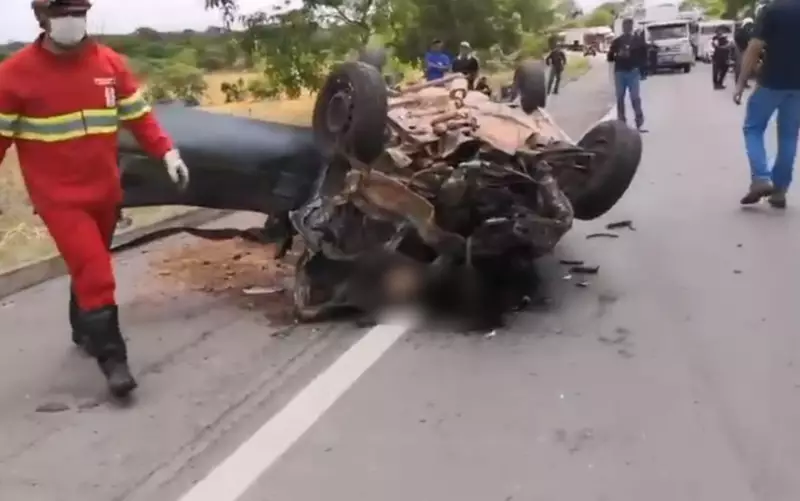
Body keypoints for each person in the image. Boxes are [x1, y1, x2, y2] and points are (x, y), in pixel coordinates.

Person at [0, 0, 190, 398]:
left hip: (105, 191)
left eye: (79, 13)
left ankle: (84, 328)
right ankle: (113, 358)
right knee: (96, 269)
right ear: (43, 19)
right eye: (64, 14)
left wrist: (167, 152)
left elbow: (140, 116)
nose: (73, 21)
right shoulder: (14, 76)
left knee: (91, 264)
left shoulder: (109, 64)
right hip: (58, 198)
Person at [734, 0, 800, 208]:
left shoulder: (771, 10)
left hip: (771, 82)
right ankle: (779, 191)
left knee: (753, 127)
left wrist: (741, 82)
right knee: (789, 136)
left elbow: (754, 47)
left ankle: (761, 178)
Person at [607, 18, 648, 131]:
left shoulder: (638, 41)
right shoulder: (617, 41)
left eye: (629, 26)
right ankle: (621, 123)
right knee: (620, 98)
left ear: (631, 27)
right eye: (625, 26)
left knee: (635, 97)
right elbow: (609, 57)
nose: (627, 28)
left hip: (633, 71)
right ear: (623, 27)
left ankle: (639, 122)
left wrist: (644, 71)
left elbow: (644, 57)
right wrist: (617, 55)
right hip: (620, 72)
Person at [733, 17, 754, 85]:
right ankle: (738, 82)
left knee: (746, 66)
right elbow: (738, 39)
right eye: (748, 24)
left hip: (746, 49)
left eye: (750, 24)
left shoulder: (749, 30)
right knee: (739, 66)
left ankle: (744, 82)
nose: (749, 25)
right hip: (740, 48)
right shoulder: (740, 31)